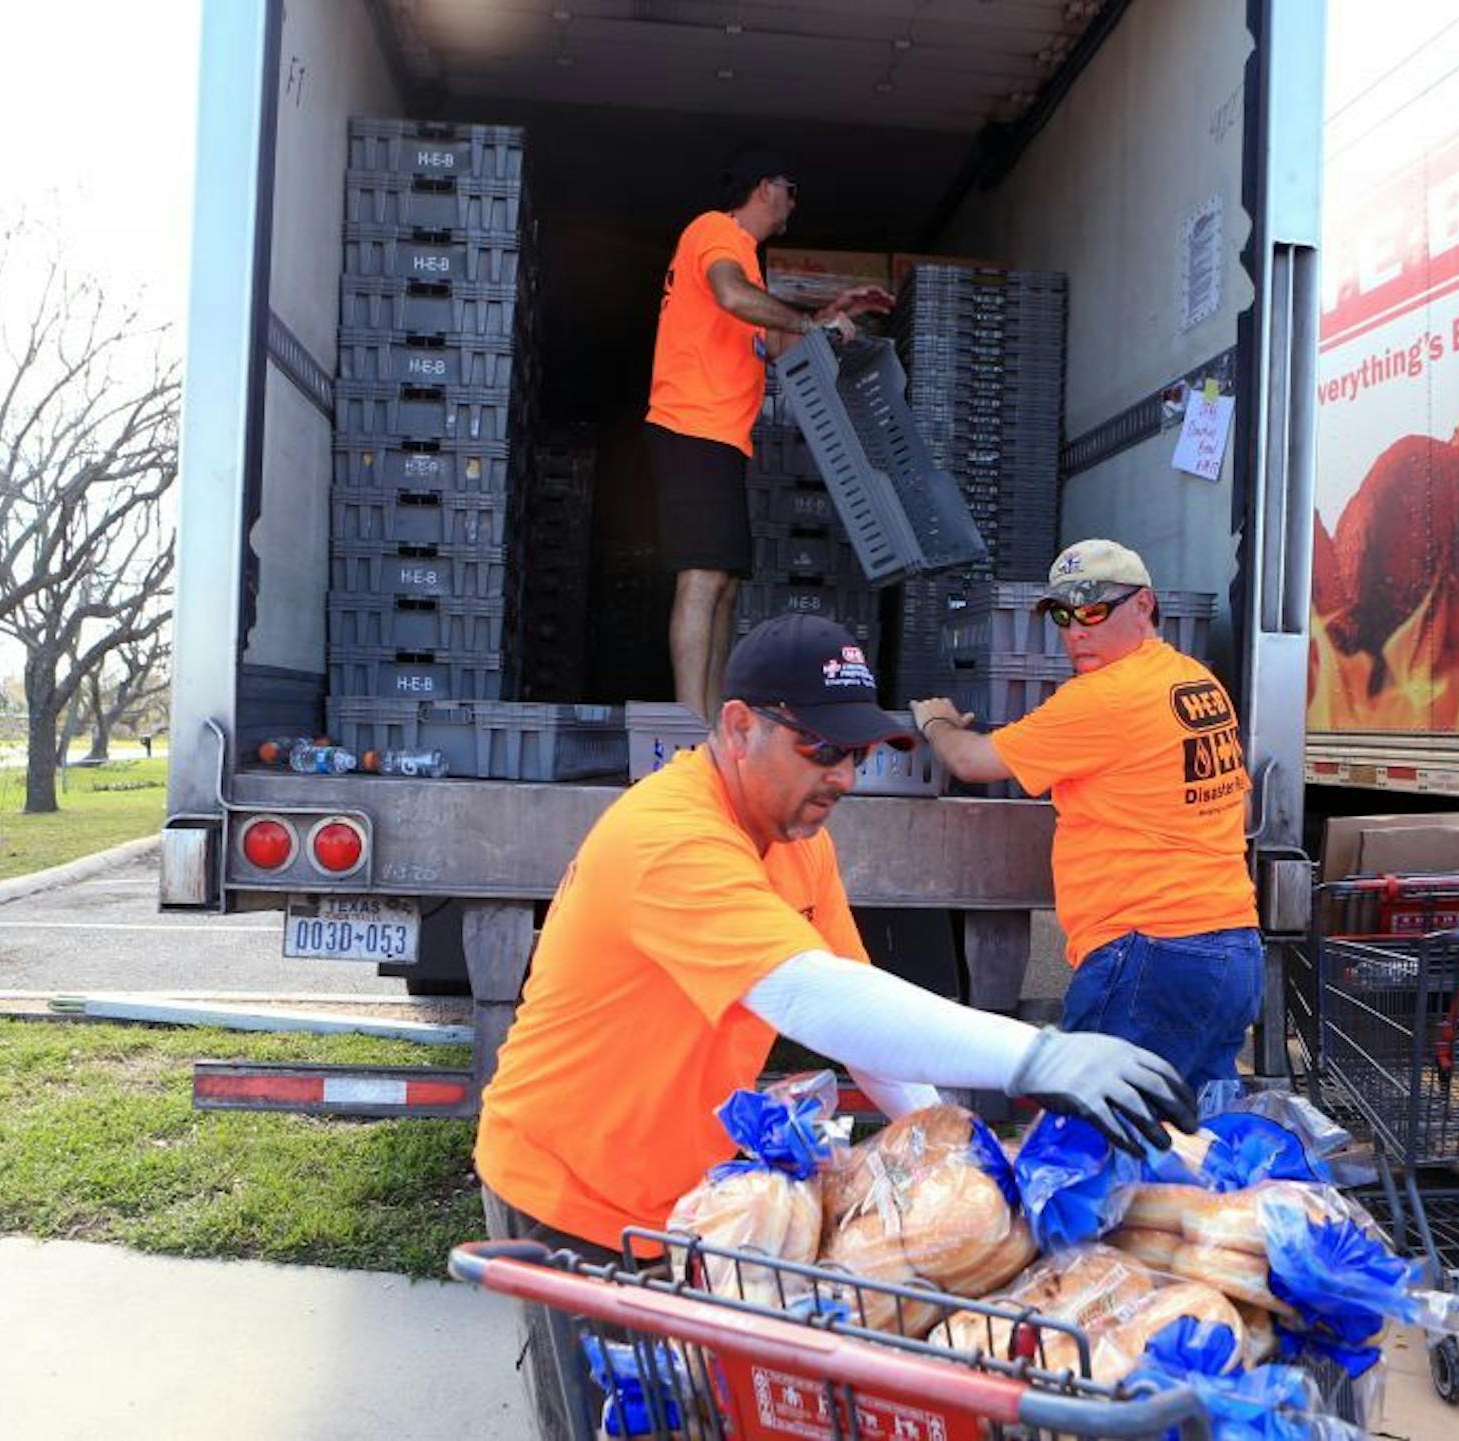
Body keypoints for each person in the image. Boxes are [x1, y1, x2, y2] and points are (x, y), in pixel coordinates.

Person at [475, 613, 1196, 1438]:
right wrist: (1036, 1054)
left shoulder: (795, 836)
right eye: (823, 748)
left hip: (680, 1202)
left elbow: (858, 1006)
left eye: (858, 753)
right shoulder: (669, 837)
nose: (847, 775)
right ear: (740, 727)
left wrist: (956, 1155)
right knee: (622, 1423)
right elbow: (807, 995)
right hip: (573, 1192)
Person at [913, 539, 1262, 1104]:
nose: (1077, 630)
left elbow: (971, 762)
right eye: (1062, 614)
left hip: (1149, 955)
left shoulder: (1104, 698)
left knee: (1091, 1150)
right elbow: (1238, 808)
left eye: (1095, 610)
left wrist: (937, 722)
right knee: (1195, 1150)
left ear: (1144, 606)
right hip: (1233, 951)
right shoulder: (1196, 683)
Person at [645, 149, 892, 719]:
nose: (793, 205)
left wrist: (831, 311)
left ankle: (707, 723)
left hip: (723, 436)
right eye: (791, 190)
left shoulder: (750, 265)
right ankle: (691, 725)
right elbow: (733, 297)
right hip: (691, 424)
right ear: (764, 187)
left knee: (725, 583)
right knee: (703, 576)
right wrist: (811, 320)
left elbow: (776, 343)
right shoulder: (716, 232)